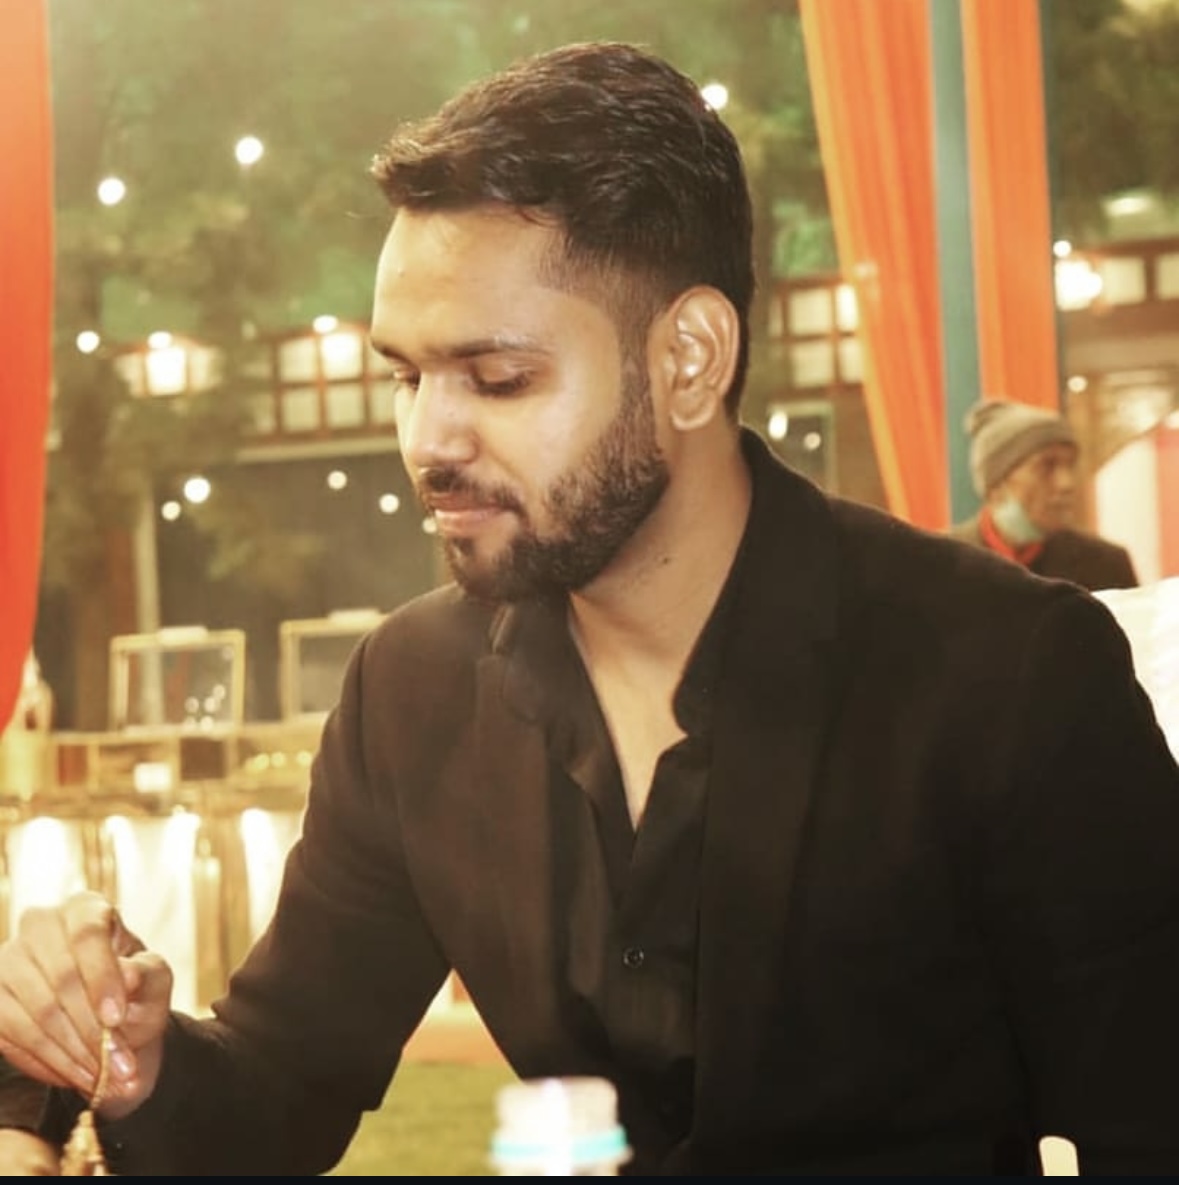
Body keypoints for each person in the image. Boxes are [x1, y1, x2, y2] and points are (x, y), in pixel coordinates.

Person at [1, 40, 1178, 1177]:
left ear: (689, 359)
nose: (427, 440)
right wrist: (135, 1056)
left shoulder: (1008, 673)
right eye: (405, 376)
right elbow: (279, 1084)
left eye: (498, 378)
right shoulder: (413, 691)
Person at [949, 398, 1139, 592]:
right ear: (997, 486)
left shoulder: (1104, 564)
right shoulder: (944, 563)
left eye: (1070, 465)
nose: (1066, 483)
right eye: (1047, 466)